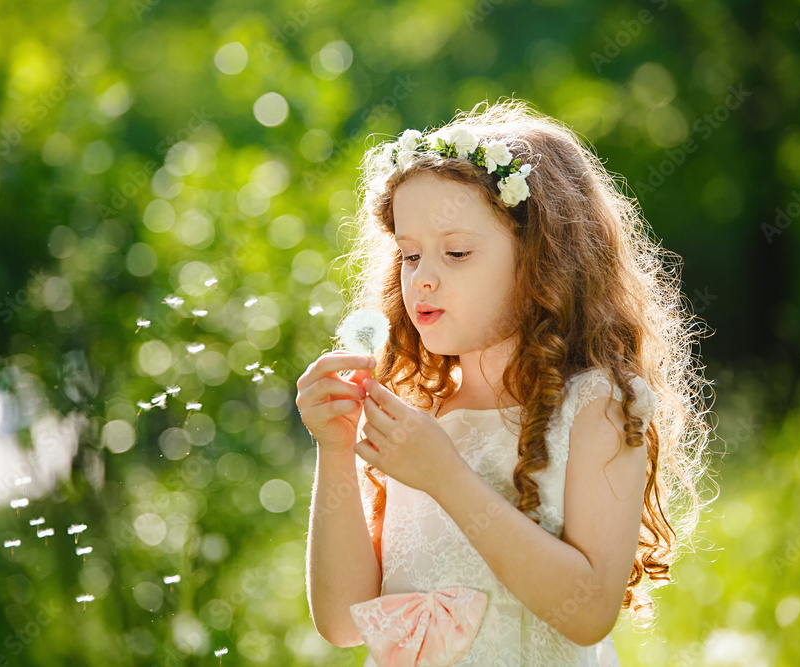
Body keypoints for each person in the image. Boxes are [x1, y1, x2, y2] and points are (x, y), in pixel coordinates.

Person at [296, 98, 715, 666]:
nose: (423, 278)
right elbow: (345, 622)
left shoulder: (596, 407)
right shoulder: (416, 409)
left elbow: (589, 613)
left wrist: (446, 476)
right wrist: (336, 448)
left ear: (543, 261)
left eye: (457, 252)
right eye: (410, 255)